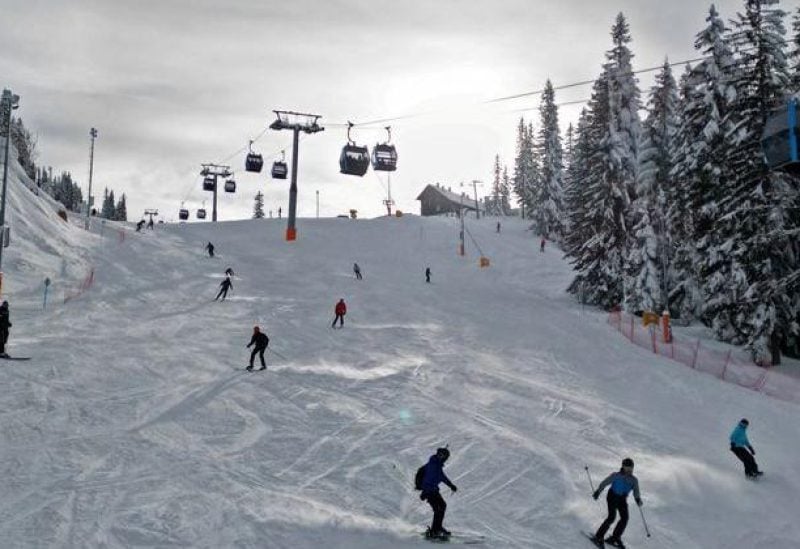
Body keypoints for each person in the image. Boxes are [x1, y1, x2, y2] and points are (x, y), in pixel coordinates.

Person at [590, 458, 642, 549]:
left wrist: (637, 499)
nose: (629, 470)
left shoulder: (634, 480)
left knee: (625, 518)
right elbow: (605, 482)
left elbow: (636, 491)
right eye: (627, 468)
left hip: (622, 499)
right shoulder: (616, 475)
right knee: (612, 517)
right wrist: (598, 491)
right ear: (623, 467)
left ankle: (615, 537)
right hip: (612, 496)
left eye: (631, 468)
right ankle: (598, 536)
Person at [420, 447, 458, 540]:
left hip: (433, 490)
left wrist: (451, 485)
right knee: (438, 508)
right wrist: (425, 491)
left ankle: (437, 528)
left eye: (446, 457)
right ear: (440, 455)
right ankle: (434, 530)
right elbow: (428, 479)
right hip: (429, 491)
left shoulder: (437, 464)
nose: (445, 459)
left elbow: (442, 477)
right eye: (444, 456)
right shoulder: (433, 465)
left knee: (442, 506)